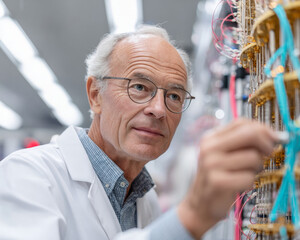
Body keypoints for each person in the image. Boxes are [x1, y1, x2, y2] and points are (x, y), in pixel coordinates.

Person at [0, 25, 279, 240]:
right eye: (139, 87)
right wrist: (190, 218)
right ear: (95, 94)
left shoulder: (144, 198)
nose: (158, 109)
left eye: (174, 95)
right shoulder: (26, 176)